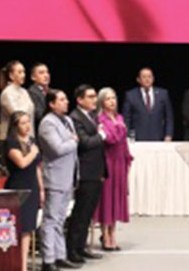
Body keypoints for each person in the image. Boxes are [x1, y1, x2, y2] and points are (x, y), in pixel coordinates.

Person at [38, 89, 80, 271]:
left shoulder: (67, 120)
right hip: (55, 177)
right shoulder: (47, 123)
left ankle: (60, 255)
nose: (66, 102)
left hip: (68, 175)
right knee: (51, 218)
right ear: (52, 104)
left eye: (66, 99)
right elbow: (57, 148)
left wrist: (72, 140)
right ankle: (48, 260)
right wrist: (74, 141)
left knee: (61, 219)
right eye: (62, 100)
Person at [67, 85, 106, 263]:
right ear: (80, 100)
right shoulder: (75, 117)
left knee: (88, 213)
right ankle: (72, 249)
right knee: (80, 212)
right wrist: (101, 136)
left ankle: (81, 247)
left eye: (95, 96)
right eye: (90, 96)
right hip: (85, 171)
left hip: (95, 170)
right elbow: (84, 142)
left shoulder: (92, 116)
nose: (94, 100)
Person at [94, 87, 133, 251]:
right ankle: (105, 235)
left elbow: (123, 142)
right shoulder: (100, 120)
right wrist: (120, 127)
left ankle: (113, 234)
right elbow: (110, 139)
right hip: (107, 163)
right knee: (106, 199)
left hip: (120, 163)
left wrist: (127, 160)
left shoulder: (119, 118)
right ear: (102, 101)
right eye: (108, 98)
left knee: (117, 198)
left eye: (114, 98)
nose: (112, 101)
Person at [4, 111, 43, 271]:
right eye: (23, 123)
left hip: (32, 186)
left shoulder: (32, 141)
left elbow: (36, 168)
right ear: (15, 126)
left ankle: (23, 266)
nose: (27, 126)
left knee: (27, 228)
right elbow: (22, 163)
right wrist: (33, 152)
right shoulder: (11, 142)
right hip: (17, 188)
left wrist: (41, 189)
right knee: (16, 228)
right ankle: (11, 263)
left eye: (28, 122)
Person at [122, 67, 173, 141]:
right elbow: (126, 118)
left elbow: (169, 117)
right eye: (144, 77)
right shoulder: (130, 95)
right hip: (138, 139)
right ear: (138, 80)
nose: (147, 79)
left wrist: (169, 134)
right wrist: (127, 136)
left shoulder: (163, 94)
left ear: (153, 78)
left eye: (149, 76)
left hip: (159, 138)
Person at [0, 60, 36, 140]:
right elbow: (17, 115)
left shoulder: (24, 91)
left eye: (24, 72)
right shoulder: (7, 93)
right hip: (12, 139)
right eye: (19, 72)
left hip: (28, 136)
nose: (23, 75)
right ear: (11, 75)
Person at [27, 62, 51, 128]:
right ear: (33, 77)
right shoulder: (31, 92)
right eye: (41, 73)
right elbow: (39, 115)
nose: (46, 75)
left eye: (47, 72)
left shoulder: (51, 91)